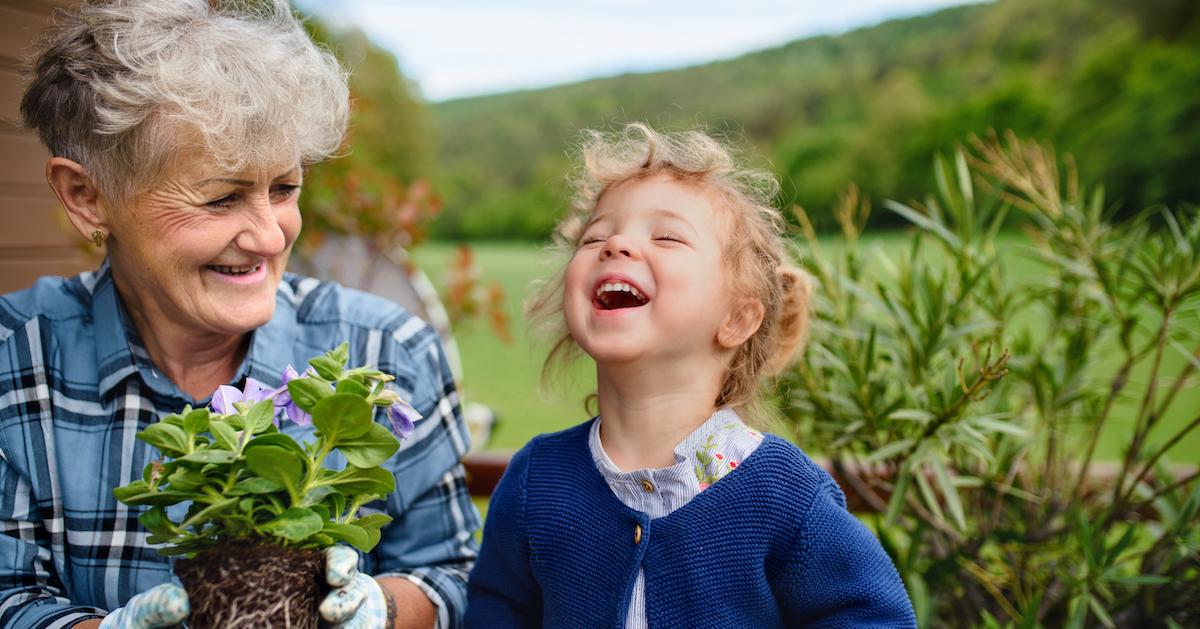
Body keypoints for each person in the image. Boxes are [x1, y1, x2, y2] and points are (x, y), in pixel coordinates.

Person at [0, 1, 479, 627]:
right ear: (88, 197)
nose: (271, 237)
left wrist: (381, 610)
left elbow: (455, 574)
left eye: (284, 189)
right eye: (221, 197)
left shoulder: (387, 350)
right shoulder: (16, 357)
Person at [465, 123, 916, 627]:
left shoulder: (784, 494)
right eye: (595, 236)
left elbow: (874, 617)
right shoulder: (536, 481)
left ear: (737, 319)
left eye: (667, 236)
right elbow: (492, 612)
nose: (615, 244)